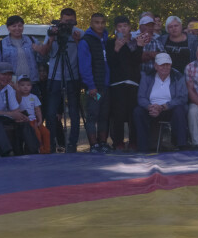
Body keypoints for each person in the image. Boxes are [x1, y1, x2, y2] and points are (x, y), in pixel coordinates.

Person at [42, 8, 85, 153]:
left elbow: (84, 55)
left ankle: (72, 144)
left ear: (76, 20)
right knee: (51, 112)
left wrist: (78, 41)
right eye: (66, 21)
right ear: (60, 20)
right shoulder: (52, 31)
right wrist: (51, 38)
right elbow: (45, 52)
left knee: (74, 111)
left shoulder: (79, 33)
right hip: (55, 76)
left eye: (71, 21)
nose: (68, 25)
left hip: (73, 76)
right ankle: (50, 144)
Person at [0, 61, 39, 155]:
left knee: (23, 120)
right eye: (4, 74)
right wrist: (11, 114)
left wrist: (20, 116)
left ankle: (34, 151)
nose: (7, 77)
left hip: (3, 116)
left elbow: (15, 110)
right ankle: (7, 153)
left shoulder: (9, 88)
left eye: (9, 75)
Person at [133, 52, 189, 150]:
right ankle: (143, 146)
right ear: (156, 66)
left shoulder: (178, 76)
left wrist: (163, 107)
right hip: (151, 109)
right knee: (138, 111)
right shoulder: (147, 76)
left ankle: (180, 144)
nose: (165, 67)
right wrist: (150, 107)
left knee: (179, 110)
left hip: (169, 109)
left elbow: (182, 98)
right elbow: (141, 97)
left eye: (168, 65)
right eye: (162, 65)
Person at [108, 16, 145, 151]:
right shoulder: (110, 43)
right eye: (119, 26)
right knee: (118, 114)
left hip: (133, 83)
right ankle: (118, 142)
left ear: (130, 28)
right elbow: (111, 63)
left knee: (133, 114)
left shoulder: (134, 43)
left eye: (125, 26)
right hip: (117, 83)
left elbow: (136, 62)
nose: (122, 29)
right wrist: (116, 49)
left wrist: (139, 47)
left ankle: (133, 142)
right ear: (116, 29)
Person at [77, 13, 111, 153]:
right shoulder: (86, 41)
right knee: (92, 116)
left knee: (104, 116)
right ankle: (93, 144)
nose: (100, 25)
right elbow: (84, 66)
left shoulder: (106, 39)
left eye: (102, 22)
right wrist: (90, 86)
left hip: (106, 85)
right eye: (97, 22)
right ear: (91, 23)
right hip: (94, 87)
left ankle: (103, 142)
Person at [0, 15, 47, 81]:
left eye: (20, 26)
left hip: (31, 82)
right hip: (10, 82)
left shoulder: (32, 40)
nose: (17, 28)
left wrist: (40, 51)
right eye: (14, 26)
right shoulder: (1, 44)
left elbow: (43, 60)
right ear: (8, 28)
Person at [15, 75, 48, 153]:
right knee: (37, 133)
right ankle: (38, 150)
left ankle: (47, 150)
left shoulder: (34, 97)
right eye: (22, 85)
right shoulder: (16, 97)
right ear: (18, 86)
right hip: (25, 121)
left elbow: (37, 110)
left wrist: (40, 120)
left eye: (28, 85)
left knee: (46, 132)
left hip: (34, 120)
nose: (25, 87)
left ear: (31, 86)